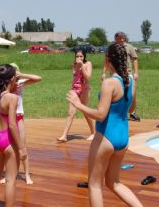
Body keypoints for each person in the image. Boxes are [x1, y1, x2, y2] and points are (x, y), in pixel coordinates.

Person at [67, 43, 143, 207]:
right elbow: (132, 108)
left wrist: (78, 104)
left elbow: (101, 115)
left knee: (94, 185)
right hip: (123, 137)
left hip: (106, 137)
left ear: (108, 60)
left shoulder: (109, 83)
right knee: (114, 182)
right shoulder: (130, 80)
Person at [0, 64, 27, 207]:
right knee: (10, 180)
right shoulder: (12, 98)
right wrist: (21, 148)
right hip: (8, 141)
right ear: (10, 80)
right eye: (15, 78)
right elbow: (11, 124)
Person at [0, 63, 41, 185]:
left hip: (18, 117)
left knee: (22, 145)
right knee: (9, 147)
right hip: (7, 118)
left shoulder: (20, 82)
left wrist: (21, 75)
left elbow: (38, 78)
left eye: (15, 70)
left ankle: (27, 174)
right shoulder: (5, 85)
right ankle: (8, 173)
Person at [57, 50, 95, 142]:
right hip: (75, 89)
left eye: (81, 56)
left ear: (84, 56)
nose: (79, 58)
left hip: (84, 89)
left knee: (85, 111)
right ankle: (64, 136)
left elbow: (88, 77)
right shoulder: (74, 65)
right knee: (71, 113)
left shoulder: (88, 63)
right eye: (77, 56)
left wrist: (82, 66)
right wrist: (71, 88)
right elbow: (75, 77)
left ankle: (94, 132)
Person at [102, 31, 140, 121]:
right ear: (115, 38)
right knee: (116, 93)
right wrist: (103, 72)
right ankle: (115, 112)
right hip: (114, 73)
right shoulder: (111, 48)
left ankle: (131, 112)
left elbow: (134, 60)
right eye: (120, 37)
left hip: (127, 73)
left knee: (129, 92)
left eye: (123, 37)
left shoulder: (129, 47)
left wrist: (136, 72)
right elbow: (106, 61)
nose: (122, 39)